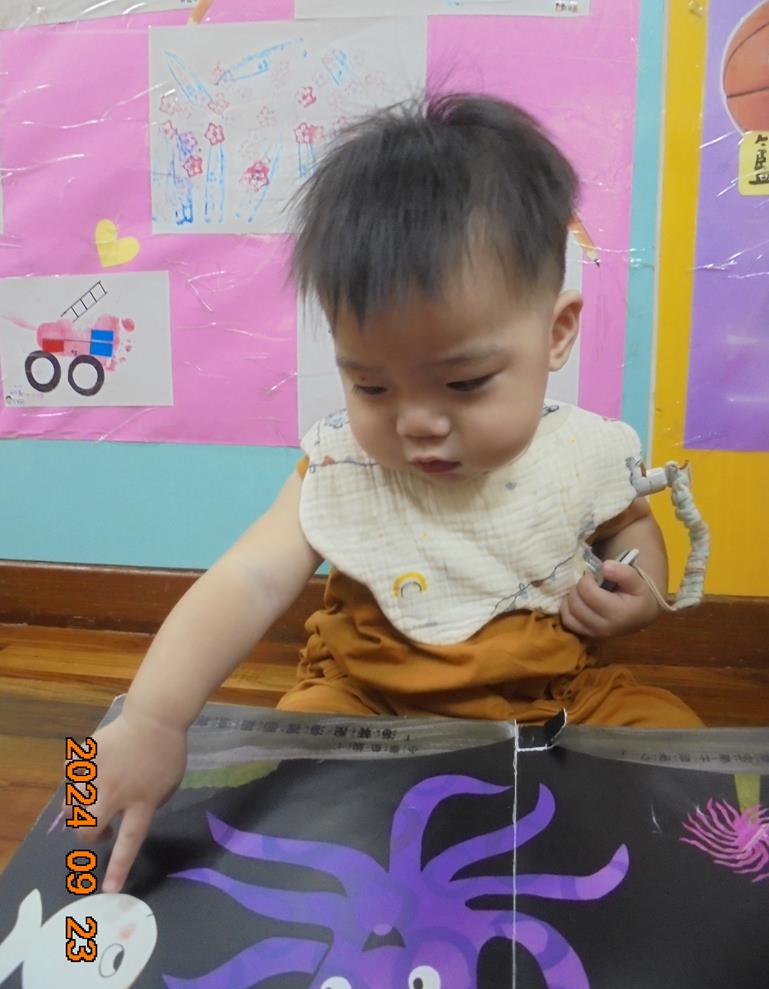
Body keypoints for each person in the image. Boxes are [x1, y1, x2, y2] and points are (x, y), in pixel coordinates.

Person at [79, 93, 704, 893]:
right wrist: (152, 719)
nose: (416, 423)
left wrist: (636, 589)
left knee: (683, 754)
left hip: (554, 696)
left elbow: (630, 529)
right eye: (370, 386)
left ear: (555, 333)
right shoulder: (342, 467)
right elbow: (248, 578)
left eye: (463, 382)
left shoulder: (583, 451)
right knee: (280, 791)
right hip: (365, 705)